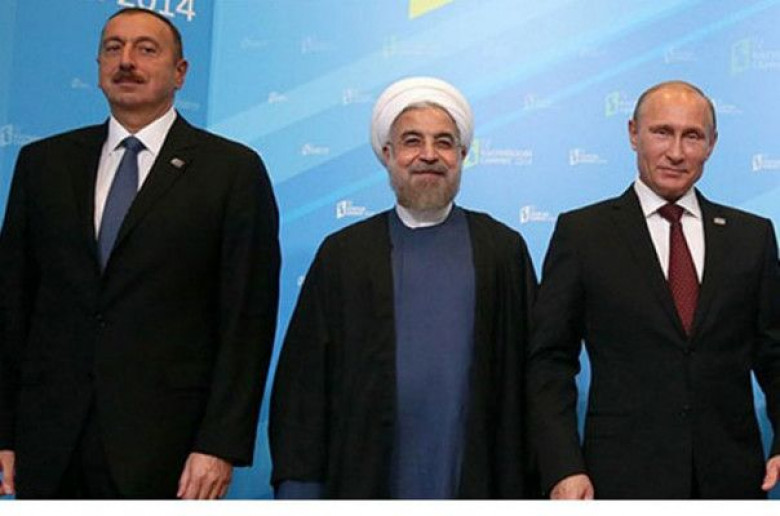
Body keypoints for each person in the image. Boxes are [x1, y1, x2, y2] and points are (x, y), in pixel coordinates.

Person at [0, 8, 280, 499]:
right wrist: (3, 432)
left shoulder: (231, 171)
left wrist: (219, 444)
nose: (126, 60)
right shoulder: (43, 164)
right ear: (98, 66)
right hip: (48, 443)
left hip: (168, 450)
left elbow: (246, 322)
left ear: (180, 72)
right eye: (114, 48)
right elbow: (11, 307)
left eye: (146, 49)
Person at [269, 77, 538, 498]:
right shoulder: (344, 255)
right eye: (412, 141)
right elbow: (305, 386)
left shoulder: (502, 251)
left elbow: (533, 381)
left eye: (444, 142)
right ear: (388, 154)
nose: (429, 155)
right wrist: (299, 491)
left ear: (462, 156)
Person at [527, 80, 780, 499]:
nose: (676, 152)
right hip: (619, 480)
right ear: (633, 133)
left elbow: (775, 353)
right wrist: (563, 467)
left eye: (692, 136)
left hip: (732, 480)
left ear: (712, 144)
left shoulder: (751, 237)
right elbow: (549, 362)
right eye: (662, 132)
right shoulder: (583, 234)